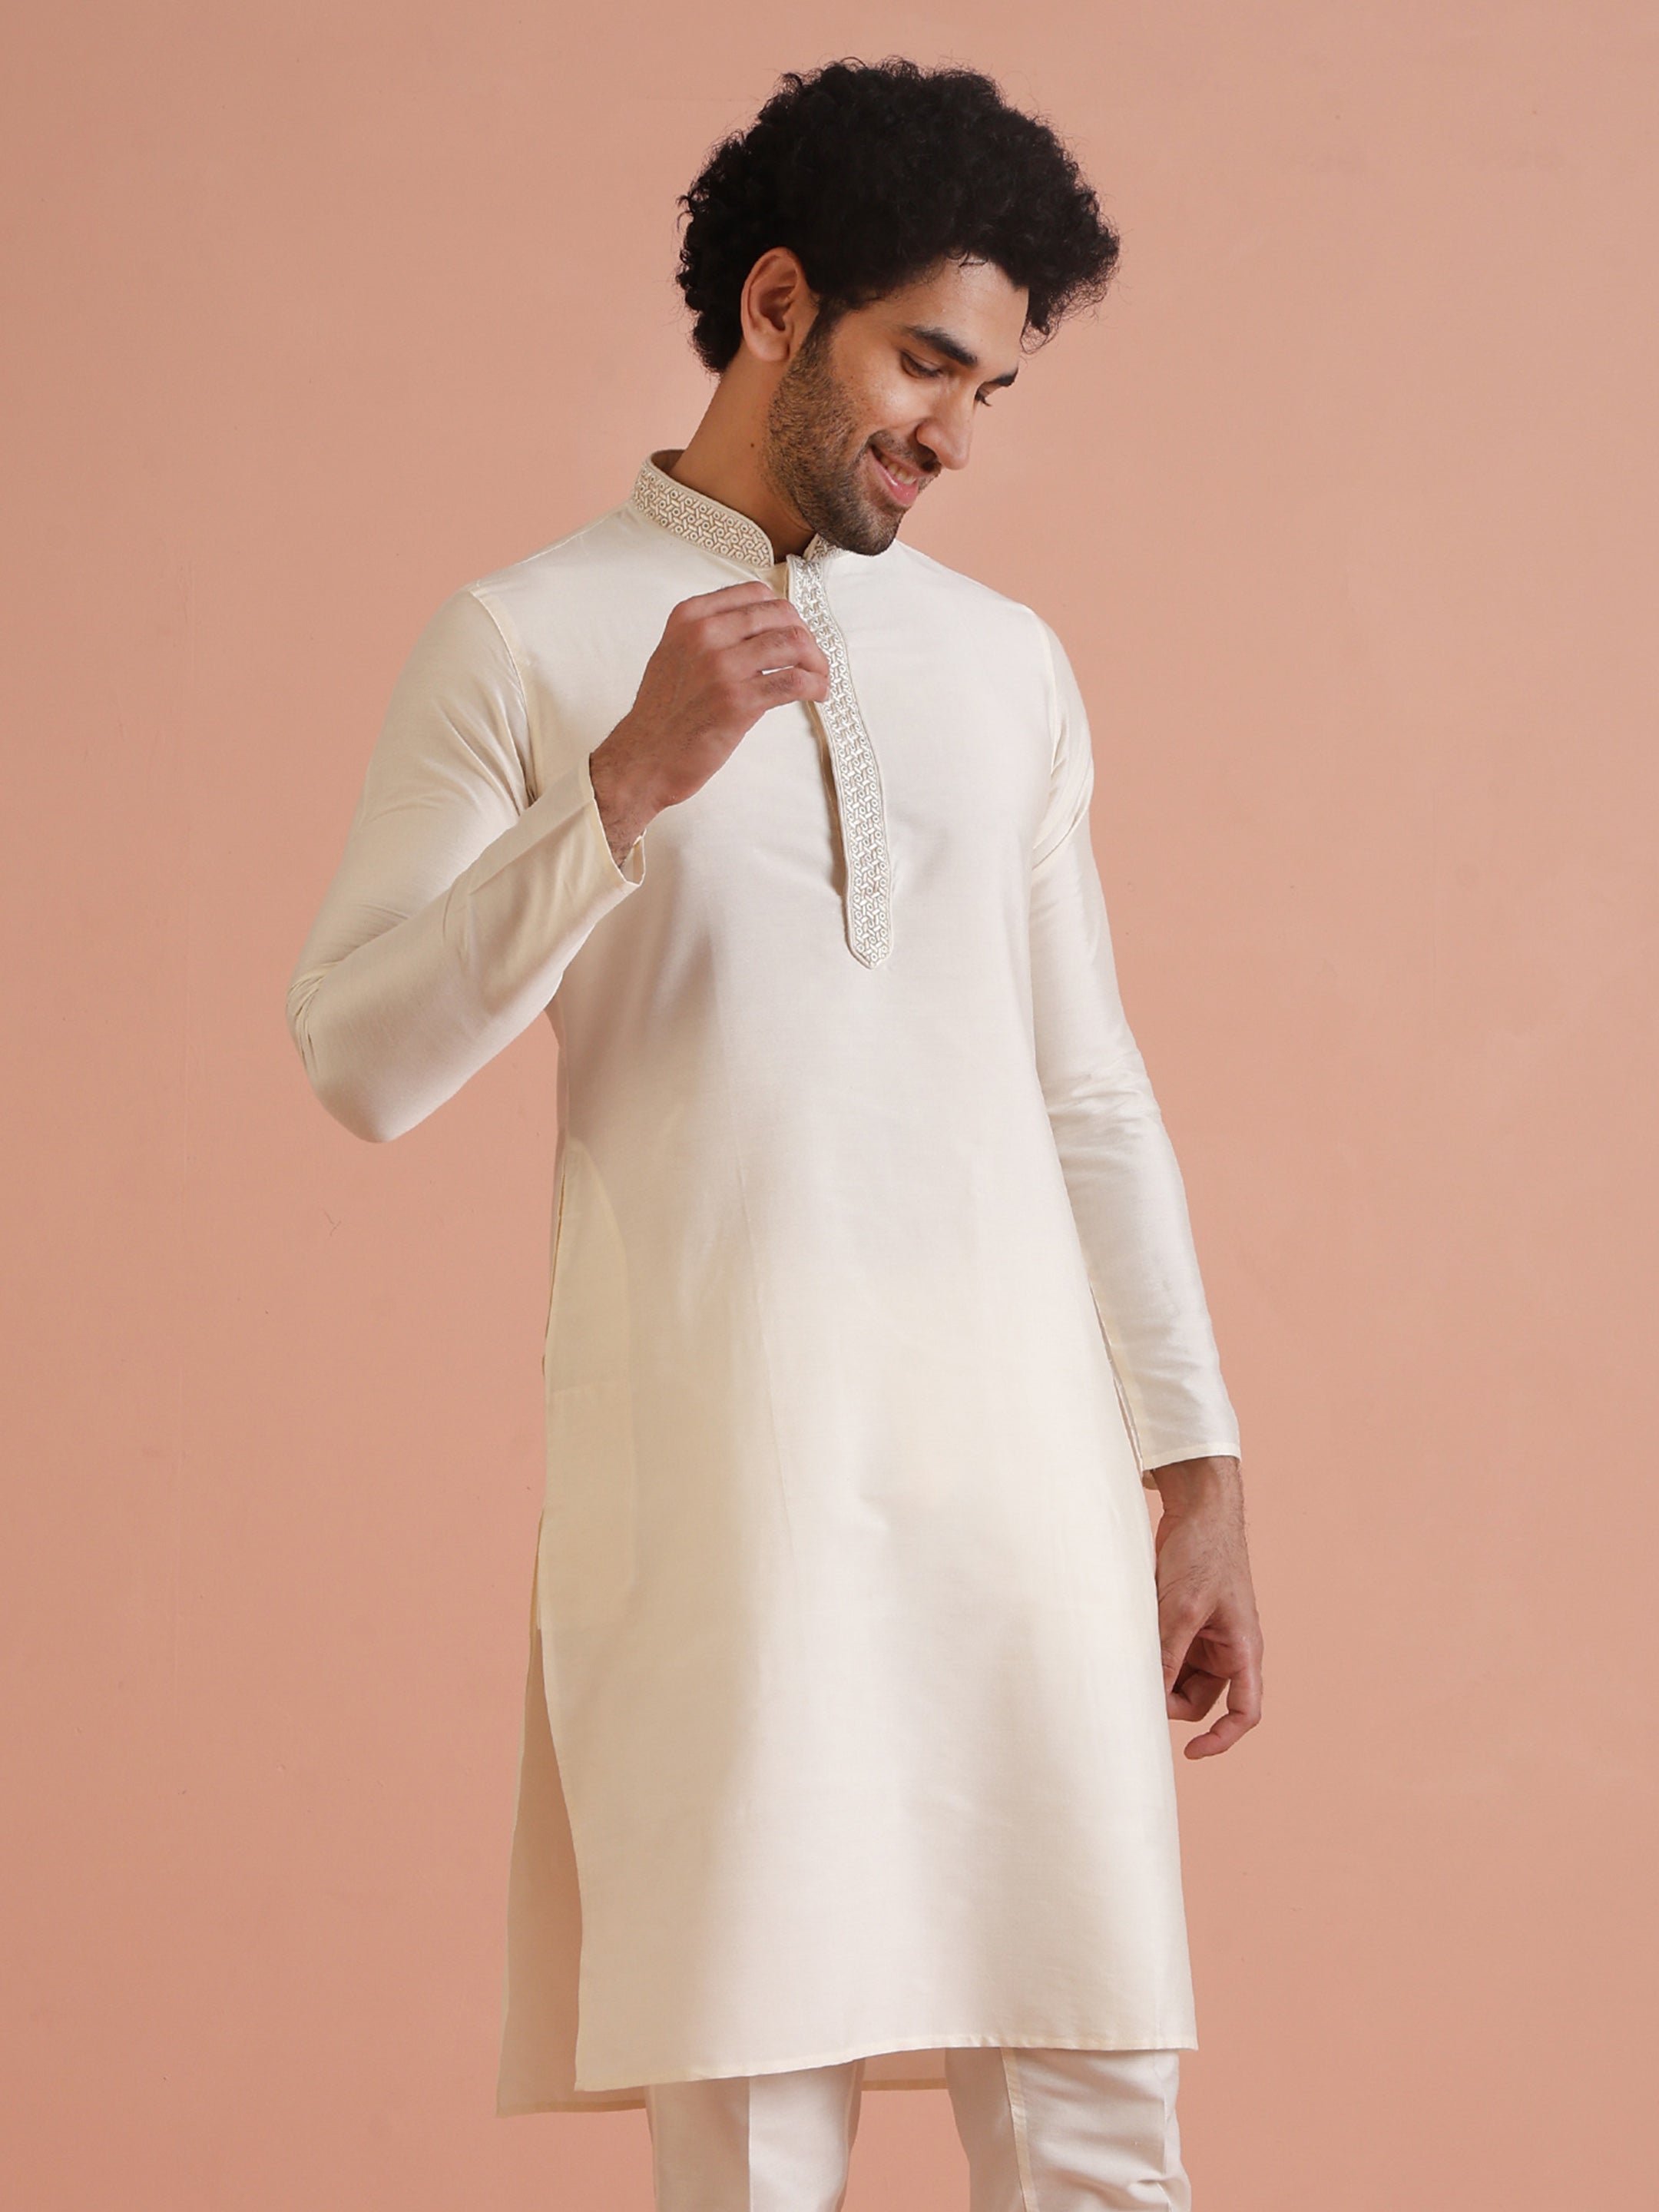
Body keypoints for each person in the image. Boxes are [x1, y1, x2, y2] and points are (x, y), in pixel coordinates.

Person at [286, 55, 1263, 2212]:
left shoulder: (1007, 665)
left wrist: (1194, 1462)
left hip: (1025, 1487)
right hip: (734, 1492)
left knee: (1100, 2119)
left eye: (991, 389)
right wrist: (625, 781)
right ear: (777, 305)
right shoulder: (529, 640)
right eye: (924, 362)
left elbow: (1088, 1085)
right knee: (753, 2133)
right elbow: (360, 1056)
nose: (953, 433)